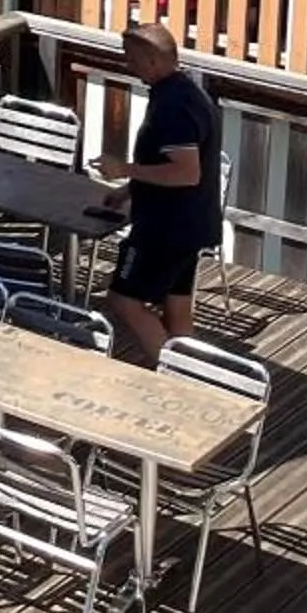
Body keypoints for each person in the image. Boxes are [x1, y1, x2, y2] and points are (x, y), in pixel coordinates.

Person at [96, 21, 223, 366]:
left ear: (152, 62)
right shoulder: (187, 92)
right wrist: (128, 190)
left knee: (124, 299)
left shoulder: (172, 109)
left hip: (165, 229)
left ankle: (170, 374)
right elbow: (173, 165)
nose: (128, 65)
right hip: (191, 225)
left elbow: (186, 172)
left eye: (131, 59)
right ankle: (193, 373)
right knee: (177, 307)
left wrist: (124, 169)